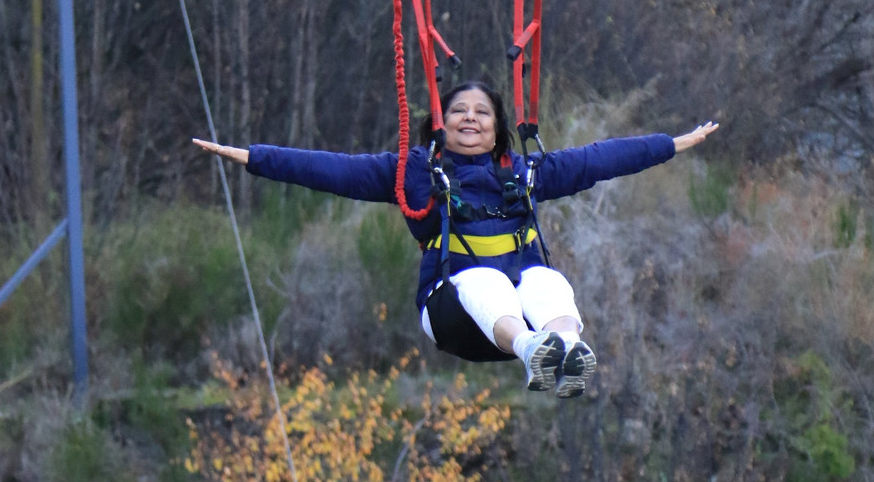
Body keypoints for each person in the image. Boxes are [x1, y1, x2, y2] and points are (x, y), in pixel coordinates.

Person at [194, 81, 718, 398]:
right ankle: (534, 350)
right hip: (455, 315)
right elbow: (330, 170)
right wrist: (253, 157)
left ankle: (564, 350)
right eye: (459, 111)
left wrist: (669, 145)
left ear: (497, 129)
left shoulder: (524, 173)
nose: (470, 117)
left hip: (518, 312)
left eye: (482, 112)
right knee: (488, 279)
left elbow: (601, 159)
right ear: (440, 124)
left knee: (544, 278)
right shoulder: (414, 173)